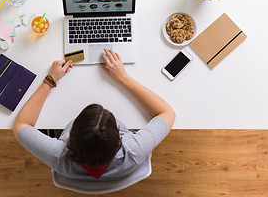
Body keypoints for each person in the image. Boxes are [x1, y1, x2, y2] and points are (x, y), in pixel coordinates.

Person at [13, 49, 175, 187]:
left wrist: (50, 80)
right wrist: (123, 78)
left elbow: (21, 124)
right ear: (119, 139)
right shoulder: (133, 150)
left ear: (70, 137)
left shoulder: (58, 155)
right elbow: (167, 113)